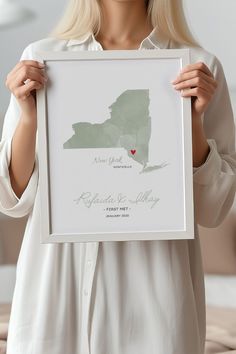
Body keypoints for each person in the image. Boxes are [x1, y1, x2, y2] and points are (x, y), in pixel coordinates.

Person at [1, 0, 236, 353]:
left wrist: (193, 124)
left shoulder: (196, 66)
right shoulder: (44, 59)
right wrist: (30, 115)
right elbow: (11, 198)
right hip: (55, 288)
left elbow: (213, 209)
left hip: (155, 295)